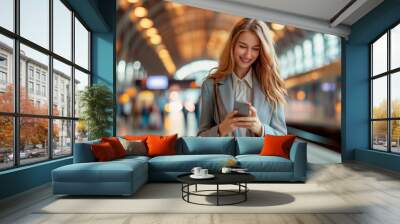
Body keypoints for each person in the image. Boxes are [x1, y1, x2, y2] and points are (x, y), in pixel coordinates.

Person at [197, 18, 287, 137]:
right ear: (232, 45)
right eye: (243, 46)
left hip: (257, 156)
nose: (248, 55)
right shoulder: (211, 85)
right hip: (225, 156)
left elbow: (282, 137)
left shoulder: (271, 85)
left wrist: (260, 129)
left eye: (255, 49)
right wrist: (221, 129)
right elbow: (201, 137)